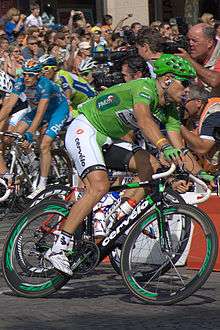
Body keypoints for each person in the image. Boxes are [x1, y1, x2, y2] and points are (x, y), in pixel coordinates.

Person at [45, 54, 197, 275]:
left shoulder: (171, 107)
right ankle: (59, 247)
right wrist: (164, 146)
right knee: (99, 186)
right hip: (85, 129)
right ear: (167, 80)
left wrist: (198, 174)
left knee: (151, 166)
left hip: (107, 138)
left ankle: (115, 217)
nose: (187, 90)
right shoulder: (144, 87)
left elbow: (178, 145)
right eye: (184, 84)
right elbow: (144, 120)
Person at [0, 59, 69, 197]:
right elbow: (8, 106)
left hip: (57, 111)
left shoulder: (45, 85)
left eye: (30, 75)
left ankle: (42, 185)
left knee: (44, 145)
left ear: (38, 75)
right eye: (25, 74)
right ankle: (30, 160)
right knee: (10, 137)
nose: (26, 77)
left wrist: (31, 132)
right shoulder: (20, 82)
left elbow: (40, 113)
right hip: (38, 110)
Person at [181, 84, 220, 173]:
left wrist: (176, 124)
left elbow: (202, 148)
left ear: (198, 102)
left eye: (184, 101)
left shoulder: (215, 113)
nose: (180, 105)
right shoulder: (193, 115)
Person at [178, 23, 220, 95]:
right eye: (188, 40)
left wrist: (189, 61)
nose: (190, 44)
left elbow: (215, 80)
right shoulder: (194, 54)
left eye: (195, 41)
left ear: (210, 43)